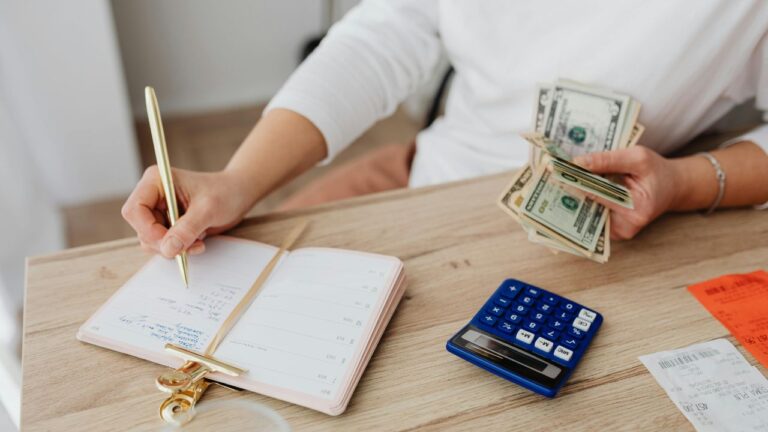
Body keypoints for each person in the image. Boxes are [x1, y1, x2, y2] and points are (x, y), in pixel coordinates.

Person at [122, 0, 768, 258]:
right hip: (424, 176)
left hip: (602, 239)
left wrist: (683, 182)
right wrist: (238, 179)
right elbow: (385, 38)